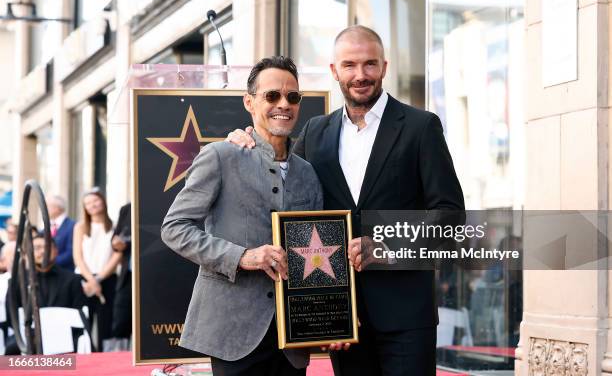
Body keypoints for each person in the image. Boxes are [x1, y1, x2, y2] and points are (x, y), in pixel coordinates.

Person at [227, 26, 465, 376]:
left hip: (406, 316)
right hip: (340, 316)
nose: (360, 75)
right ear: (334, 71)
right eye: (349, 65)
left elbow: (450, 217)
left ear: (384, 67)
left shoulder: (420, 127)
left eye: (369, 64)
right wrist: (246, 139)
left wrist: (384, 246)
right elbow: (286, 190)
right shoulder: (314, 132)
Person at [161, 56, 323, 376]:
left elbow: (318, 252)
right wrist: (242, 256)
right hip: (232, 334)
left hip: (293, 339)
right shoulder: (221, 156)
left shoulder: (309, 174)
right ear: (249, 102)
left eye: (293, 97)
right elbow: (174, 227)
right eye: (272, 96)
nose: (284, 104)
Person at [4, 233, 88, 354]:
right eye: (37, 248)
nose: (43, 251)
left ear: (56, 251)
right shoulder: (17, 282)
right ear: (28, 252)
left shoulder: (72, 280)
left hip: (65, 338)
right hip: (29, 338)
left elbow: (80, 314)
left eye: (48, 246)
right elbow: (11, 316)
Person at [73, 188, 122, 351]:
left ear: (103, 201)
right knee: (83, 323)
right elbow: (78, 257)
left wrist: (99, 279)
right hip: (84, 280)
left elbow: (118, 255)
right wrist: (91, 280)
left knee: (105, 323)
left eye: (95, 201)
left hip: (107, 279)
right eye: (87, 203)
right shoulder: (80, 227)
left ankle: (103, 357)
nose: (92, 205)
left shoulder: (115, 226)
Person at [110, 202, 131, 345]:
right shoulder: (126, 209)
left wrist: (127, 244)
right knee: (120, 320)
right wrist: (116, 243)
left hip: (152, 275)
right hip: (127, 275)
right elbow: (115, 238)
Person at [46, 195, 76, 271]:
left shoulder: (73, 226)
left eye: (47, 206)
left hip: (65, 273)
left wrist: (49, 262)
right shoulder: (46, 227)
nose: (44, 209)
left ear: (57, 208)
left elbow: (71, 252)